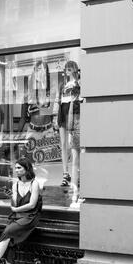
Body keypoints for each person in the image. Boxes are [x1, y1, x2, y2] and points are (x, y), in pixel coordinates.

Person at [54, 60, 82, 201]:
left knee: (73, 146)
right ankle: (66, 173)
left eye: (70, 69)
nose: (67, 71)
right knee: (63, 144)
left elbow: (79, 99)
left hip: (73, 113)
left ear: (75, 69)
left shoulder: (78, 84)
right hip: (62, 112)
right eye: (66, 69)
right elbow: (58, 101)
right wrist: (55, 117)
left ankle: (75, 172)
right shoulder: (62, 85)